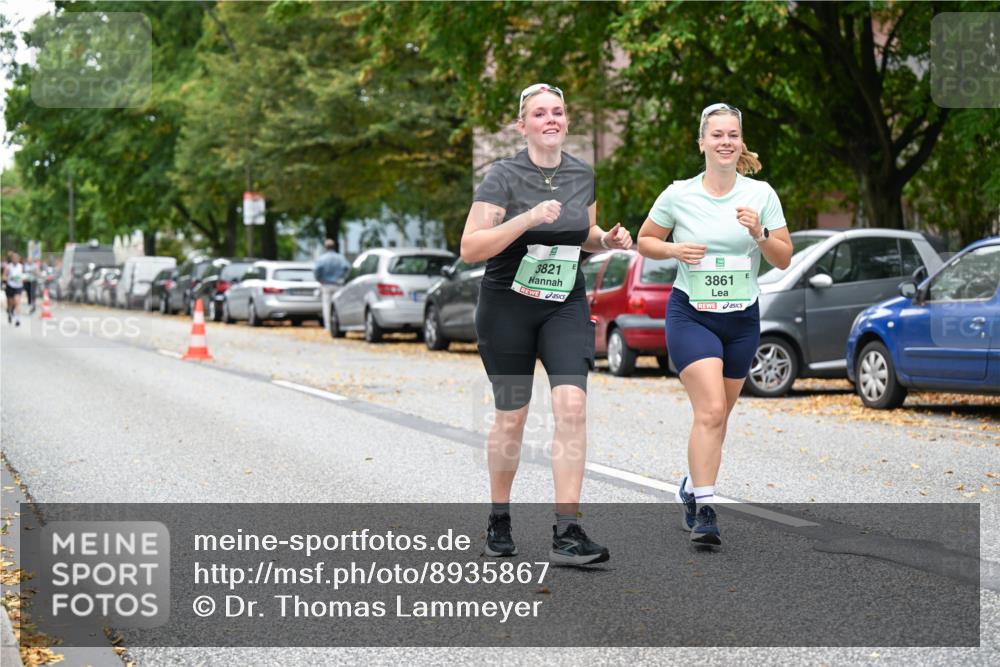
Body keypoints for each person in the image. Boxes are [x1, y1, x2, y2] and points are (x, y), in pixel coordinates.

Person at [461, 83, 632, 565]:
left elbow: (584, 237)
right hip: (507, 306)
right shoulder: (503, 176)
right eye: (540, 113)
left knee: (572, 409)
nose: (551, 119)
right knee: (512, 416)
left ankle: (568, 531)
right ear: (524, 125)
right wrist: (527, 218)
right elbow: (471, 247)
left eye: (558, 111)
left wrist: (608, 239)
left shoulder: (582, 174)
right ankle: (499, 518)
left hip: (564, 304)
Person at [637, 103, 792, 547]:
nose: (725, 142)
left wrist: (760, 234)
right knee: (708, 411)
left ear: (740, 142)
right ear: (701, 142)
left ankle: (690, 483)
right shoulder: (678, 194)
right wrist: (675, 251)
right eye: (717, 135)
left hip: (742, 318)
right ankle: (705, 510)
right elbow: (648, 240)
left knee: (720, 417)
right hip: (691, 314)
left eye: (732, 135)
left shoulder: (761, 194)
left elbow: (783, 258)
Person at [314, 238, 350, 335]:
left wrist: (319, 279)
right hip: (338, 284)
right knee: (338, 306)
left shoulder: (322, 258)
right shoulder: (340, 258)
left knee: (327, 306)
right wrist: (342, 277)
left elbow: (317, 270)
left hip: (326, 284)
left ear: (325, 247)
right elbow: (347, 268)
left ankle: (328, 326)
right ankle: (338, 325)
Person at [4, 253, 26, 327]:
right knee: (10, 303)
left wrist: (23, 278)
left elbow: (24, 276)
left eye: (16, 258)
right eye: (14, 258)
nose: (15, 260)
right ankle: (10, 312)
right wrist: (9, 278)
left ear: (18, 259)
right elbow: (4, 276)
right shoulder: (8, 266)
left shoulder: (21, 266)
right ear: (12, 259)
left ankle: (17, 319)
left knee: (17, 302)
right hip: (10, 286)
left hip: (18, 286)